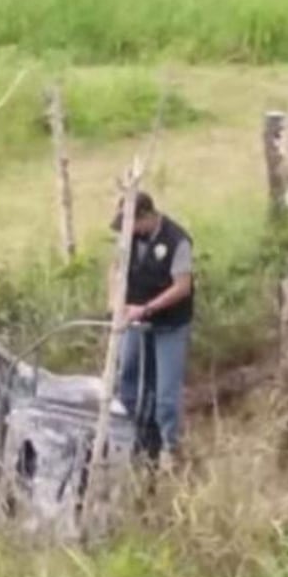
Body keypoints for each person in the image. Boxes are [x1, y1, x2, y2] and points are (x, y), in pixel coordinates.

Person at [112, 193, 195, 461]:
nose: (130, 230)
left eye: (133, 224)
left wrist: (146, 309)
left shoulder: (177, 241)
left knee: (166, 395)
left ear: (146, 217)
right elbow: (115, 270)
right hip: (135, 321)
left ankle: (170, 449)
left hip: (169, 325)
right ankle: (132, 439)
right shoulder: (128, 238)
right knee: (127, 377)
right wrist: (116, 305)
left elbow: (182, 287)